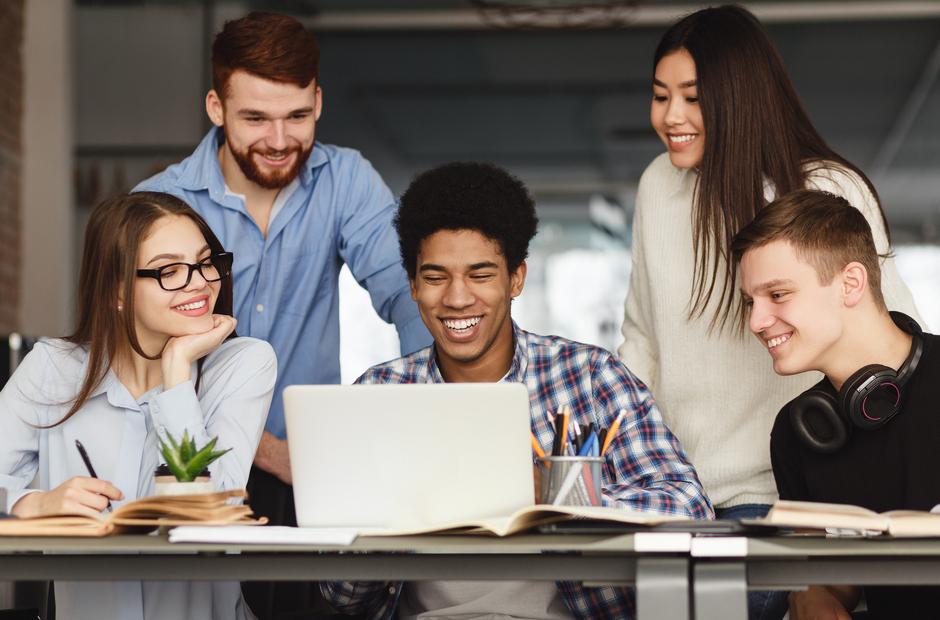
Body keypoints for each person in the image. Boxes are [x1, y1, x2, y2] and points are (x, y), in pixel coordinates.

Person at [617, 6, 920, 618]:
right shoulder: (658, 187)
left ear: (737, 98)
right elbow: (642, 342)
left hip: (788, 496)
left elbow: (891, 346)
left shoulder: (825, 190)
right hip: (676, 500)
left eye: (693, 98)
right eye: (660, 96)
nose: (670, 117)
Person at [321, 162, 712, 620]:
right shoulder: (378, 395)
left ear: (516, 279)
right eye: (435, 277)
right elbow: (340, 594)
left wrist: (555, 496)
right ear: (412, 285)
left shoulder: (590, 377)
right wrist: (386, 520)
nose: (457, 298)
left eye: (481, 274)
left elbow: (691, 514)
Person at [134, 10, 430, 537]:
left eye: (296, 116)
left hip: (309, 470)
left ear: (318, 101)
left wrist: (425, 410)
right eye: (254, 119)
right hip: (185, 465)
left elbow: (409, 294)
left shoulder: (346, 180)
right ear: (216, 108)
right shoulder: (160, 205)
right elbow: (135, 358)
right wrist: (267, 452)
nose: (278, 140)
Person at [0, 191, 276, 620]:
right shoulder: (53, 367)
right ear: (119, 293)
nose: (201, 282)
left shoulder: (243, 363)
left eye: (205, 262)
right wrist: (27, 504)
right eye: (170, 270)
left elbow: (205, 515)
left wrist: (177, 371)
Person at [732, 189, 940, 620]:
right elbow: (827, 572)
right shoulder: (798, 430)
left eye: (778, 294)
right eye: (751, 302)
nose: (755, 322)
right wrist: (812, 593)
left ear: (850, 283)